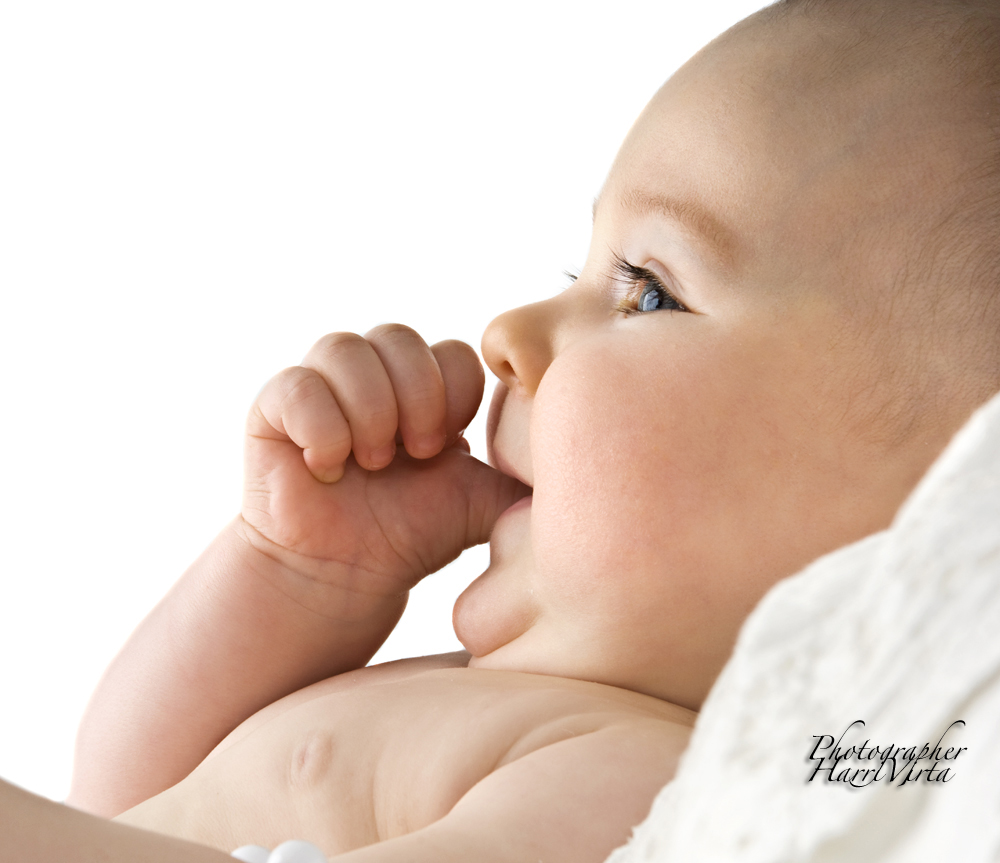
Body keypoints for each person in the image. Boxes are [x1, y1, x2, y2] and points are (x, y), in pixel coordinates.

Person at [64, 0, 1000, 860]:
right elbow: (114, 803)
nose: (508, 334)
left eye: (649, 291)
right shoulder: (523, 703)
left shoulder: (637, 790)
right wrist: (295, 572)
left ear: (940, 509)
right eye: (577, 270)